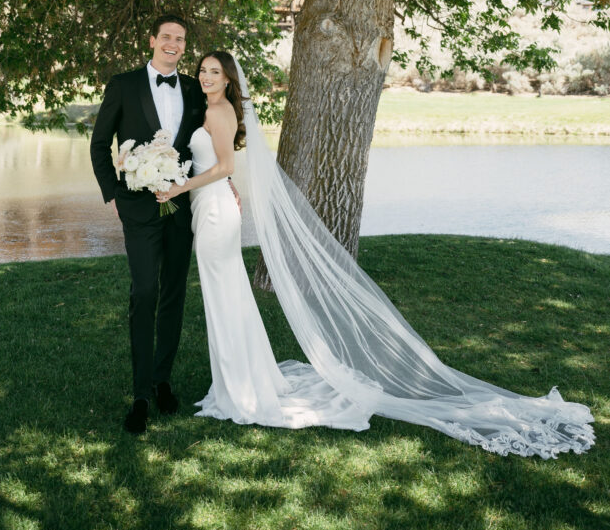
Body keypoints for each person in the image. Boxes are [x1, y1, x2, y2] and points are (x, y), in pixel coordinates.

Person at [157, 50, 596, 456]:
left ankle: (240, 388)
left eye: (215, 72)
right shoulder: (211, 109)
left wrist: (176, 186)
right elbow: (218, 167)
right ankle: (242, 380)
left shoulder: (220, 110)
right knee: (228, 297)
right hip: (211, 207)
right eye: (203, 71)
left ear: (229, 79)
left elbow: (225, 167)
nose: (206, 77)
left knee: (225, 298)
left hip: (214, 212)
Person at [91, 15, 208, 433]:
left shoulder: (195, 90)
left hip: (181, 210)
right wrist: (114, 195)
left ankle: (162, 381)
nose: (174, 44)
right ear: (152, 40)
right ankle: (139, 394)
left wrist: (220, 184)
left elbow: (209, 143)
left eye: (180, 39)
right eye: (167, 37)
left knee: (174, 294)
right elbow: (99, 143)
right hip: (138, 210)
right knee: (144, 292)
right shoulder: (123, 85)